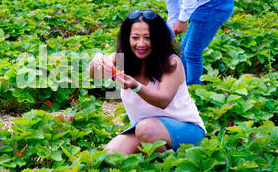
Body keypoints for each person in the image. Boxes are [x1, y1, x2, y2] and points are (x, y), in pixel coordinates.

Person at [88, 10, 206, 154]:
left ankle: (166, 165)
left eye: (148, 38)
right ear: (128, 38)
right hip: (142, 130)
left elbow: (163, 100)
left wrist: (136, 86)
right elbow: (95, 75)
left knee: (146, 130)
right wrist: (97, 60)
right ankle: (154, 153)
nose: (141, 44)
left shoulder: (171, 62)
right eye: (135, 37)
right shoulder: (122, 57)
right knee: (108, 156)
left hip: (186, 129)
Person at [125, 0, 235, 86]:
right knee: (183, 50)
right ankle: (181, 87)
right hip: (208, 4)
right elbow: (173, 8)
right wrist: (166, 36)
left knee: (192, 53)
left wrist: (182, 20)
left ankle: (193, 95)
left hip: (214, 2)